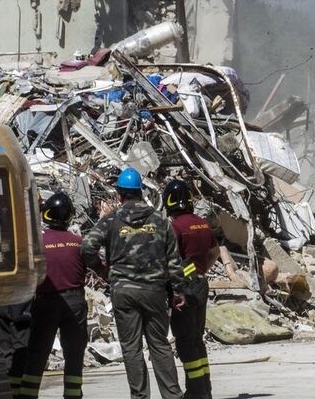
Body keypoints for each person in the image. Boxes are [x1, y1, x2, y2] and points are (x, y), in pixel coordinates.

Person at [81, 167, 188, 399]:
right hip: (154, 291)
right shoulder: (160, 220)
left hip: (123, 291)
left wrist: (103, 271)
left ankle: (139, 397)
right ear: (140, 192)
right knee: (160, 344)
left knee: (131, 348)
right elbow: (173, 260)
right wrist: (178, 290)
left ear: (120, 195)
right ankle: (173, 395)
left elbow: (87, 247)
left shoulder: (111, 220)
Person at [19, 191, 88, 399]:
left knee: (37, 355)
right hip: (75, 303)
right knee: (74, 355)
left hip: (44, 303)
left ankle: (27, 396)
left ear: (46, 214)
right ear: (70, 216)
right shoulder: (79, 242)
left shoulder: (37, 244)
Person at [164, 179, 219, 399]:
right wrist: (199, 269)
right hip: (201, 283)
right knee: (197, 338)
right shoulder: (203, 224)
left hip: (183, 288)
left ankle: (196, 392)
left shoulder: (175, 227)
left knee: (186, 342)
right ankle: (205, 389)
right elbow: (214, 252)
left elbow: (171, 259)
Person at [0, 302, 30, 399]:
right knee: (20, 351)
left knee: (5, 348)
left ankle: (6, 389)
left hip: (1, 302)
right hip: (19, 303)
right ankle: (15, 392)